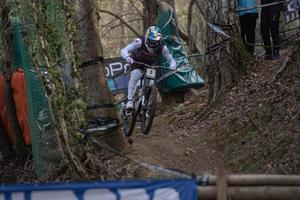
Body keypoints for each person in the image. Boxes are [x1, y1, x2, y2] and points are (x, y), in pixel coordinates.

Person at [120, 26, 177, 110]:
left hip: (150, 65)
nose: (153, 44)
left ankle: (146, 107)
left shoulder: (162, 47)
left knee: (151, 85)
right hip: (136, 63)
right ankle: (130, 101)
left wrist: (172, 65)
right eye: (151, 41)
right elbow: (124, 50)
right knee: (136, 75)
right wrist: (127, 57)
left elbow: (171, 59)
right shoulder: (139, 42)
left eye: (156, 42)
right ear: (147, 38)